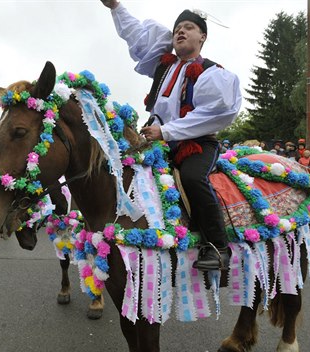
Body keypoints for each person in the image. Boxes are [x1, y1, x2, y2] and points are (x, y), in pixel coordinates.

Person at [102, 0, 242, 270]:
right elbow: (137, 34)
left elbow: (213, 113)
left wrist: (166, 131)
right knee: (128, 174)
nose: (180, 31)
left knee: (191, 178)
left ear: (202, 36)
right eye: (177, 28)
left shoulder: (213, 73)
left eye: (188, 28)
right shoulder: (164, 64)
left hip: (197, 144)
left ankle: (218, 247)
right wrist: (115, 6)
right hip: (159, 141)